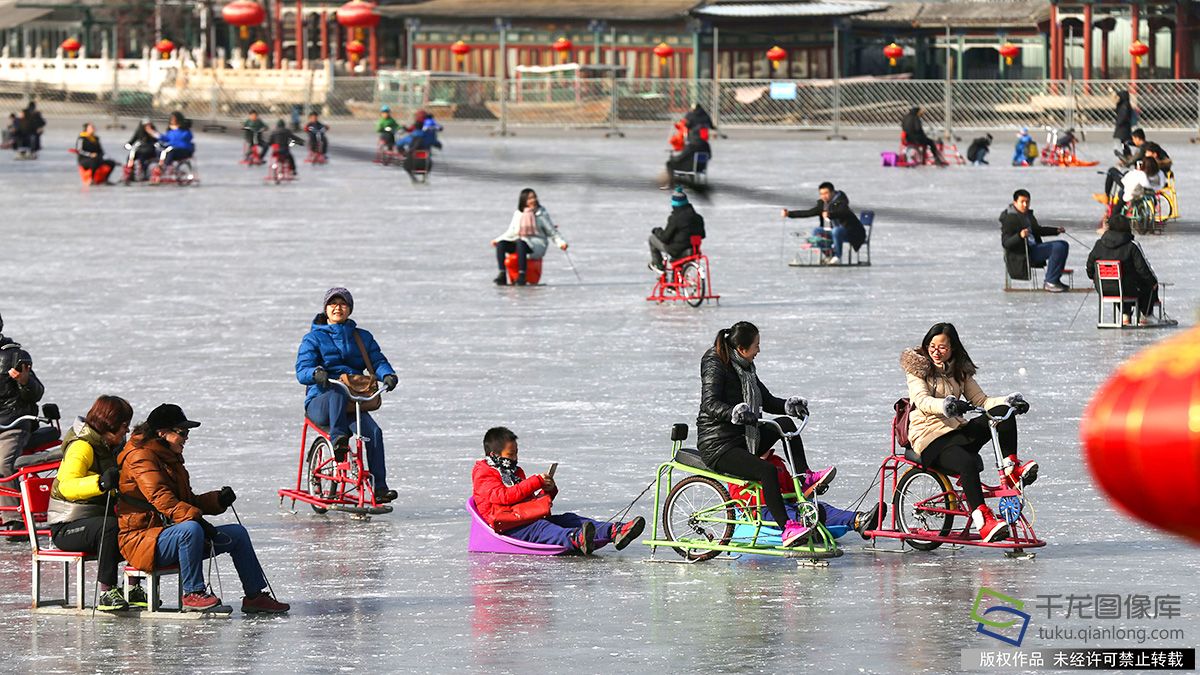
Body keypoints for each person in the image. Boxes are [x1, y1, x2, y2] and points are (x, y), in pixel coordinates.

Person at [117, 404, 289, 613]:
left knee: (238, 534)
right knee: (191, 529)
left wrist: (217, 500)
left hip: (171, 535)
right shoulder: (140, 457)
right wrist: (198, 520)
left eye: (187, 432)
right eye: (182, 432)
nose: (186, 437)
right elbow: (162, 499)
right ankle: (193, 593)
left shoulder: (170, 458)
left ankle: (254, 596)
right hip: (142, 540)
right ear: (162, 433)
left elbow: (187, 502)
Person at [696, 322, 837, 547]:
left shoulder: (746, 368)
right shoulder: (715, 363)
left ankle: (804, 477)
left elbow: (767, 400)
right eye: (756, 346)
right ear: (741, 349)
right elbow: (710, 403)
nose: (759, 350)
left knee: (785, 424)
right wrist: (735, 412)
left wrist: (789, 406)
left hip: (743, 437)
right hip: (718, 444)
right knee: (767, 470)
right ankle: (787, 529)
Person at [900, 323, 1038, 544]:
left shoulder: (959, 371)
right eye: (931, 346)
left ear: (952, 349)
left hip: (955, 432)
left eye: (942, 347)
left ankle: (1012, 468)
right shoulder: (918, 370)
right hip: (929, 438)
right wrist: (947, 405)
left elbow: (982, 401)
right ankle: (983, 520)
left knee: (1002, 414)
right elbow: (922, 400)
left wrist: (1009, 402)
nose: (936, 351)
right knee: (967, 462)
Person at [296, 288, 399, 501]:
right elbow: (302, 368)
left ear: (349, 309)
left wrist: (387, 375)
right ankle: (338, 439)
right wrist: (316, 373)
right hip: (321, 401)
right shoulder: (313, 338)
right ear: (325, 309)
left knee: (374, 432)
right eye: (332, 303)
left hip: (352, 403)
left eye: (342, 304)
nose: (337, 308)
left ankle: (379, 488)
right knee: (336, 392)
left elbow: (377, 360)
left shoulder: (361, 337)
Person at [472, 427, 645, 554]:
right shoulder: (484, 473)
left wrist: (548, 489)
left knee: (569, 518)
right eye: (511, 455)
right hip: (507, 524)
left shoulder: (515, 472)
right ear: (494, 454)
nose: (515, 458)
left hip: (523, 518)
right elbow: (503, 496)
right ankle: (575, 538)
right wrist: (535, 481)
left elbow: (527, 501)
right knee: (542, 528)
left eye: (516, 453)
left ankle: (613, 531)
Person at [47, 396, 142, 611]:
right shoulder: (82, 446)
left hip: (96, 522)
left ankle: (134, 585)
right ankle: (107, 592)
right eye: (124, 426)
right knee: (110, 528)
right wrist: (99, 482)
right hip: (68, 526)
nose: (125, 432)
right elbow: (66, 486)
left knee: (136, 523)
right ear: (110, 424)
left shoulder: (110, 446)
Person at [726, 451, 884, 540]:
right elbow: (740, 496)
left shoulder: (776, 463)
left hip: (787, 503)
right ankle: (851, 522)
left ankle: (859, 520)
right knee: (799, 515)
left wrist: (808, 492)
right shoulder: (743, 465)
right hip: (765, 510)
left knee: (820, 507)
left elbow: (794, 493)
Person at [0, 319, 45, 531]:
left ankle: (13, 519)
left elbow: (37, 392)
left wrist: (24, 381)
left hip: (12, 424)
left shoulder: (14, 356)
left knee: (3, 464)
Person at [1086, 215, 1164, 325]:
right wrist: (1153, 282)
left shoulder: (1099, 244)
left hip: (1103, 288)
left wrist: (1093, 278)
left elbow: (1089, 266)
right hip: (1128, 289)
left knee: (1120, 283)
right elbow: (1143, 269)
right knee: (1147, 284)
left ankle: (1125, 314)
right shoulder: (1131, 246)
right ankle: (1146, 315)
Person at [491, 188, 568, 286]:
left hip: (537, 244)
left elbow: (552, 232)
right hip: (522, 242)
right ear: (524, 201)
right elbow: (511, 231)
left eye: (534, 197)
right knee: (501, 244)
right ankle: (502, 274)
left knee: (520, 243)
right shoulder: (518, 214)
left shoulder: (541, 213)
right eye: (530, 198)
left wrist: (561, 243)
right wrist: (497, 240)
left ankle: (522, 275)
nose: (533, 200)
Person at [1000, 189, 1070, 292]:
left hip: (1033, 249)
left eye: (1027, 202)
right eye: (1022, 202)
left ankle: (1054, 280)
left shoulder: (1027, 215)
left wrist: (1055, 230)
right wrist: (1020, 236)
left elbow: (1037, 230)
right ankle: (1050, 281)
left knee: (1062, 245)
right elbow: (1006, 243)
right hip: (1022, 255)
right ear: (1015, 203)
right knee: (1058, 247)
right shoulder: (1009, 219)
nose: (1025, 205)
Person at [781, 181, 866, 265]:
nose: (823, 196)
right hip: (834, 232)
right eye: (821, 194)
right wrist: (789, 214)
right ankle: (830, 256)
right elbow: (808, 212)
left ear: (832, 192)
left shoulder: (841, 202)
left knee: (836, 230)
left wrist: (830, 214)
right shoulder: (823, 205)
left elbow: (842, 212)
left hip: (852, 233)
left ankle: (837, 257)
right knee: (817, 231)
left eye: (826, 193)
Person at [648, 186, 705, 273]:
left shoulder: (674, 218)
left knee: (652, 239)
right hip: (694, 250)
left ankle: (658, 265)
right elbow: (702, 235)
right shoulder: (698, 217)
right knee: (677, 245)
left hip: (677, 250)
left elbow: (665, 238)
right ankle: (674, 283)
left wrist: (657, 231)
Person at [1112, 90, 1134, 156]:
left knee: (1124, 143)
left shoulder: (1125, 106)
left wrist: (1119, 123)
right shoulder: (1123, 104)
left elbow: (1123, 117)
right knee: (1123, 143)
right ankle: (1126, 155)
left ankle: (1127, 156)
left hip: (1123, 128)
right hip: (1122, 128)